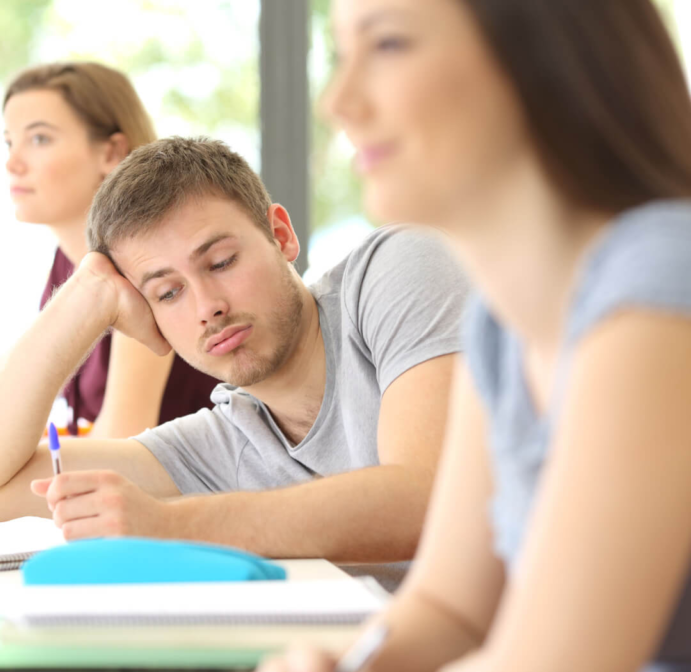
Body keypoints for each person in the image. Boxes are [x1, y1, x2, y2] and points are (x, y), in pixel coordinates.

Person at [261, 0, 691, 670]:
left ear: (543, 54)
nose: (337, 100)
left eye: (389, 45)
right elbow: (450, 609)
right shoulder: (502, 323)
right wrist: (346, 663)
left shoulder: (663, 280)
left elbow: (559, 660)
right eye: (343, 54)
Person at [0, 136, 471, 567]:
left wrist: (170, 523)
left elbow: (429, 500)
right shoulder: (220, 443)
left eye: (221, 262)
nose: (206, 306)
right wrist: (83, 300)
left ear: (280, 234)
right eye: (167, 292)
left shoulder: (397, 267)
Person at [0, 62, 219, 442]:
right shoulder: (70, 264)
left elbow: (121, 443)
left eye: (39, 139)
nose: (12, 163)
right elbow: (77, 423)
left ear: (112, 152)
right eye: (9, 142)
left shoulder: (142, 269)